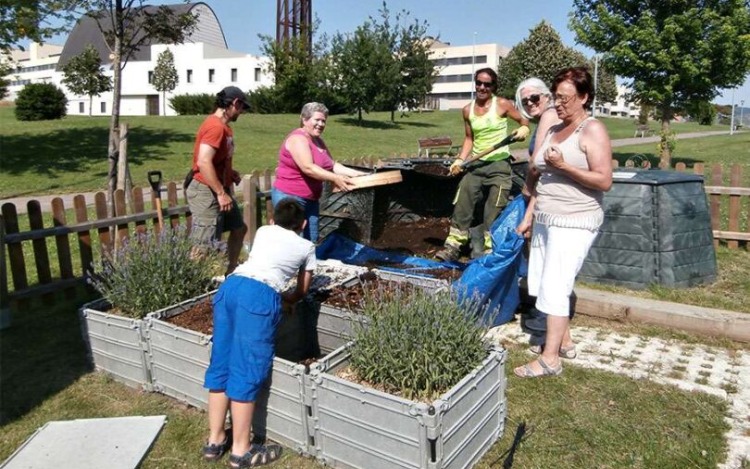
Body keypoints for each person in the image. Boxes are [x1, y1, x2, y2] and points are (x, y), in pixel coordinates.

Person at [514, 67, 613, 378]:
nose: (559, 104)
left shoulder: (592, 130)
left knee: (556, 285)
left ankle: (550, 359)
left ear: (584, 97)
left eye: (566, 98)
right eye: (556, 97)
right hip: (546, 215)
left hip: (575, 220)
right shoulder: (556, 129)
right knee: (543, 282)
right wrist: (530, 214)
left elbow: (604, 180)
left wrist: (565, 166)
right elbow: (541, 175)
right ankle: (565, 340)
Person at [202, 198, 316, 467]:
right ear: (304, 224)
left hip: (231, 288)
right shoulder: (307, 246)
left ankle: (215, 440)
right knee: (247, 368)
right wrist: (289, 299)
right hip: (259, 297)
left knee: (222, 362)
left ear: (273, 220)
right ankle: (242, 450)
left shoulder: (264, 231)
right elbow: (302, 289)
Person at [436, 68, 530, 261]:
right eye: (479, 82)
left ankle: (490, 251)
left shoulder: (502, 104)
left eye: (487, 84)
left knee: (495, 207)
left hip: (499, 165)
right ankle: (453, 245)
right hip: (476, 165)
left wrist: (523, 129)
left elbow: (524, 120)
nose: (482, 87)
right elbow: (469, 138)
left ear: (493, 86)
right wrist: (461, 159)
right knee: (463, 198)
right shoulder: (467, 110)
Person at [272, 102, 367, 242]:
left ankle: (307, 264)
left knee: (311, 241)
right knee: (289, 241)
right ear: (304, 119)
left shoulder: (318, 141)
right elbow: (308, 168)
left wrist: (359, 174)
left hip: (311, 200)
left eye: (324, 121)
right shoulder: (298, 139)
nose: (321, 124)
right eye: (317, 120)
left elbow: (332, 165)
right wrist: (335, 178)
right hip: (291, 199)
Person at [514, 78, 561, 353]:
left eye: (535, 98)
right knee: (550, 268)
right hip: (544, 198)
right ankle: (559, 338)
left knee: (547, 269)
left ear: (546, 96)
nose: (531, 104)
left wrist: (529, 208)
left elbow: (538, 166)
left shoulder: (550, 116)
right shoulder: (551, 116)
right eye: (525, 101)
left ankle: (543, 332)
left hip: (545, 199)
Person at [186, 86, 249, 275]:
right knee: (203, 244)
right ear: (234, 103)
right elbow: (203, 161)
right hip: (207, 191)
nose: (242, 112)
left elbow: (214, 160)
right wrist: (221, 193)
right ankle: (191, 284)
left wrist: (230, 174)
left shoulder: (224, 127)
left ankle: (231, 271)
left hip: (219, 187)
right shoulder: (215, 127)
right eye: (242, 107)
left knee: (239, 228)